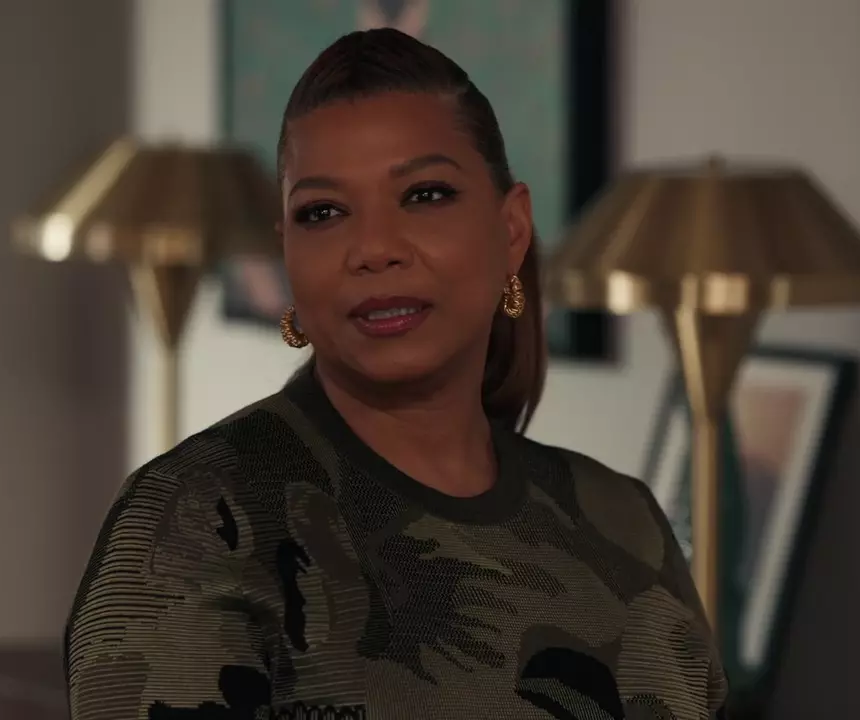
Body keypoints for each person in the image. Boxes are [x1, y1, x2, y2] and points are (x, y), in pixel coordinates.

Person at [65, 28, 727, 720]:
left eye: (425, 194)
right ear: (289, 254)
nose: (374, 248)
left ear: (511, 230)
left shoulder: (626, 523)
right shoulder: (201, 521)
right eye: (323, 212)